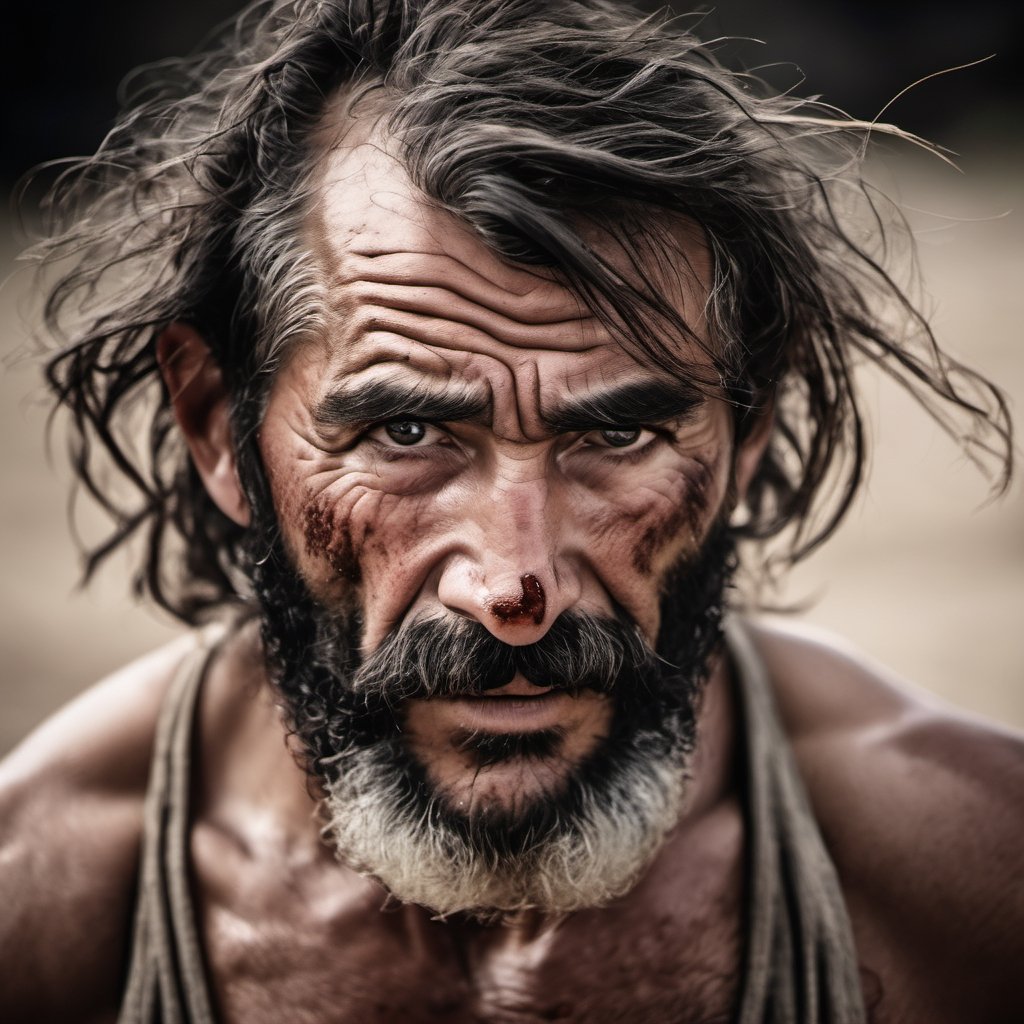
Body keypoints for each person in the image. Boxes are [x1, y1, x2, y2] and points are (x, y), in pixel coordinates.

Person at [1, 0, 1020, 1020]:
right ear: (219, 424)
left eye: (616, 437)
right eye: (405, 434)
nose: (511, 586)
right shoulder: (44, 899)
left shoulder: (968, 882)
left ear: (744, 433)